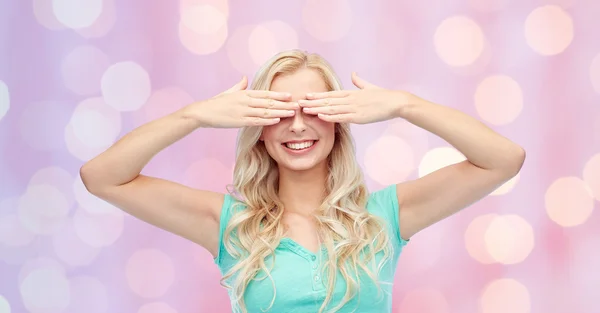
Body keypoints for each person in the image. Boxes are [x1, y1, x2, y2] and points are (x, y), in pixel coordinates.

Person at [80, 49, 525, 313]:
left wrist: (405, 105)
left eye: (312, 108)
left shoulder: (385, 216)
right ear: (258, 128)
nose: (296, 126)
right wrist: (193, 116)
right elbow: (102, 178)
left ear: (339, 121)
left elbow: (503, 160)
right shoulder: (230, 224)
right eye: (277, 110)